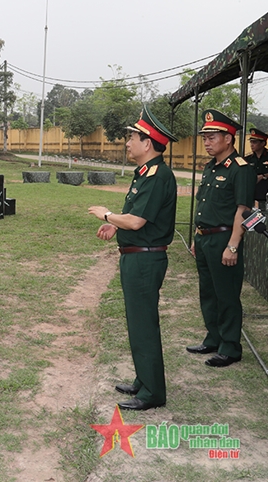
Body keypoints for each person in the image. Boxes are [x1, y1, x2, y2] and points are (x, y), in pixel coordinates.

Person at [89, 106, 178, 410]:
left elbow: (138, 222)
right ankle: (144, 380)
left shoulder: (156, 175)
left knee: (143, 324)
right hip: (136, 257)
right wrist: (114, 224)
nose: (127, 143)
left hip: (145, 260)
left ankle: (152, 392)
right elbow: (135, 217)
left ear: (148, 142)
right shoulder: (145, 173)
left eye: (132, 138)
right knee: (138, 322)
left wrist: (107, 213)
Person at [187, 110, 256, 367]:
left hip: (225, 239)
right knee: (208, 292)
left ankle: (230, 347)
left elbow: (242, 211)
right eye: (205, 137)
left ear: (229, 139)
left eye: (212, 137)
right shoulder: (210, 167)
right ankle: (213, 338)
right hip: (205, 238)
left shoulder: (241, 170)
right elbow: (205, 205)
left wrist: (233, 246)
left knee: (226, 294)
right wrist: (196, 236)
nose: (206, 142)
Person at [245, 127, 268, 204]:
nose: (252, 145)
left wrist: (263, 176)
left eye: (254, 142)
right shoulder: (247, 159)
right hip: (252, 197)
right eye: (251, 142)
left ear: (263, 143)